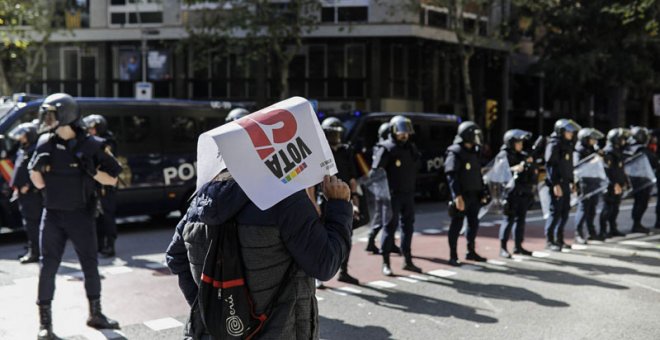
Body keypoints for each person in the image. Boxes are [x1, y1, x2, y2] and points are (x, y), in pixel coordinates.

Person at [166, 173, 353, 339]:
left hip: (209, 332)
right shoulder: (284, 198)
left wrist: (206, 307)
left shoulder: (200, 201)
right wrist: (339, 206)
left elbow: (176, 257)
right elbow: (325, 263)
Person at [28, 93, 123, 340]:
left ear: (66, 116)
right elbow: (38, 183)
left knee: (90, 266)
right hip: (52, 215)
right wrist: (34, 169)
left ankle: (96, 314)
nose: (46, 120)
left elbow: (113, 178)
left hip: (81, 215)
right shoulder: (44, 143)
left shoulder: (92, 145)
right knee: (47, 267)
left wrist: (91, 172)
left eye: (50, 115)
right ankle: (45, 325)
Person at [373, 115, 421, 276]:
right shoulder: (386, 148)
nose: (404, 135)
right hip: (391, 196)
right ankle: (385, 262)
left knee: (408, 227)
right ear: (393, 131)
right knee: (389, 227)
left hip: (408, 194)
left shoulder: (411, 148)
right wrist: (382, 194)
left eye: (407, 132)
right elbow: (376, 173)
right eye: (401, 131)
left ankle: (407, 260)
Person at [318, 117, 360, 285]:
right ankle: (319, 275)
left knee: (345, 235)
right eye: (332, 134)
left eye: (337, 134)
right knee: (320, 237)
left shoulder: (346, 151)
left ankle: (344, 270)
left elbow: (352, 177)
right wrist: (314, 203)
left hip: (344, 198)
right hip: (324, 198)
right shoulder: (320, 152)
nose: (335, 137)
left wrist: (355, 200)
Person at [444, 121, 488, 266]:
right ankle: (453, 255)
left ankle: (471, 251)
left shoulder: (475, 151)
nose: (477, 138)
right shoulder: (455, 151)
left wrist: (482, 192)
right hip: (462, 196)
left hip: (474, 194)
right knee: (456, 225)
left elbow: (478, 174)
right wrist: (457, 196)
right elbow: (451, 176)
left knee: (473, 224)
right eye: (474, 135)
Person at [82, 114, 120, 257]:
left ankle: (110, 245)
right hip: (96, 184)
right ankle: (99, 245)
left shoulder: (107, 142)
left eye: (92, 128)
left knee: (107, 216)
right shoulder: (94, 141)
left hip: (106, 186)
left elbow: (106, 162)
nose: (90, 131)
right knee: (96, 216)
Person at [8, 122, 43, 264]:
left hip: (32, 195)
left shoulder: (35, 150)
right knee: (28, 224)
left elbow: (36, 171)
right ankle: (32, 248)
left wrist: (28, 186)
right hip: (23, 195)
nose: (20, 138)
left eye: (23, 135)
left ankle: (35, 253)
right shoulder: (24, 149)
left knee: (33, 224)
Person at [497, 129, 535, 258]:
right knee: (508, 220)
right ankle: (503, 248)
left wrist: (530, 164)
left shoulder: (523, 154)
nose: (521, 144)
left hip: (523, 192)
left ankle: (518, 246)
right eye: (518, 142)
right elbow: (498, 173)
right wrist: (513, 169)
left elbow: (530, 175)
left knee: (521, 221)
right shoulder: (503, 155)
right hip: (510, 194)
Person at [544, 119, 581, 251]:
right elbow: (551, 166)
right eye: (569, 131)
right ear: (561, 131)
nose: (572, 134)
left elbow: (568, 167)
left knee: (565, 213)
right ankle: (549, 240)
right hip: (557, 184)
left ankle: (559, 239)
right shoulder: (554, 144)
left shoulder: (567, 145)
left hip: (566, 183)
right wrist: (555, 184)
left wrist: (572, 182)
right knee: (555, 212)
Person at [365, 122, 402, 256]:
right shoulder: (384, 148)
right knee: (384, 217)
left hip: (380, 188)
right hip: (383, 189)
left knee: (383, 217)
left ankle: (387, 243)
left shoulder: (378, 147)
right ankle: (373, 241)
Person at [573, 127, 605, 244]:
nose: (595, 141)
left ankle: (591, 232)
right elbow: (577, 166)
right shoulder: (579, 150)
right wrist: (592, 162)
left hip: (594, 182)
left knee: (592, 209)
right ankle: (578, 233)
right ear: (585, 139)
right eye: (592, 139)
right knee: (583, 208)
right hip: (584, 183)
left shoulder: (592, 149)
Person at [625, 126, 657, 234]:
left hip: (633, 179)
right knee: (641, 203)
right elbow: (654, 161)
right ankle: (636, 224)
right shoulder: (642, 149)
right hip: (642, 180)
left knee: (638, 202)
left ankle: (636, 224)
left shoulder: (628, 147)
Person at [600, 128, 630, 239]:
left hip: (618, 184)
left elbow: (620, 169)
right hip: (610, 185)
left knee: (615, 208)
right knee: (607, 208)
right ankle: (603, 231)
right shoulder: (609, 151)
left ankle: (613, 229)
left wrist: (625, 181)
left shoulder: (618, 150)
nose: (623, 141)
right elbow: (608, 170)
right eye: (621, 138)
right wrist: (614, 184)